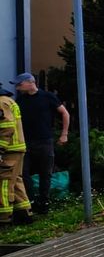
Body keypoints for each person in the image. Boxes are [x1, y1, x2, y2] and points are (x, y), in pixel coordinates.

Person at [13, 72, 69, 215]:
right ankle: (30, 201)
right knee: (23, 173)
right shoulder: (20, 101)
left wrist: (64, 134)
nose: (18, 87)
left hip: (44, 141)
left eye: (20, 84)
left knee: (45, 173)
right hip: (25, 143)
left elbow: (64, 113)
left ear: (30, 82)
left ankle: (43, 202)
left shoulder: (47, 97)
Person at [0, 87, 33, 224]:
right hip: (16, 149)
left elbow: (6, 127)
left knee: (3, 183)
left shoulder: (1, 103)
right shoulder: (9, 101)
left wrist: (0, 149)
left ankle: (3, 218)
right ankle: (24, 214)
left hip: (9, 151)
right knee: (16, 181)